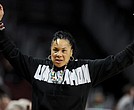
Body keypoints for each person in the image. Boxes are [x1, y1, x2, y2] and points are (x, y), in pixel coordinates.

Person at [0, 4, 134, 110]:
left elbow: (118, 62)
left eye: (64, 50)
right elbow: (12, 54)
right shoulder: (37, 68)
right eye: (55, 50)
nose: (59, 54)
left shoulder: (85, 69)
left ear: (71, 53)